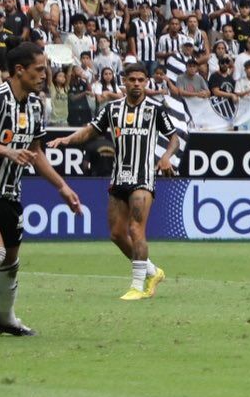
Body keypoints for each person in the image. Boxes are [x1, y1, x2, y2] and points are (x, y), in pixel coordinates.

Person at [0, 43, 82, 341]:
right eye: (39, 69)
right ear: (20, 70)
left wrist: (62, 187)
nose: (44, 74)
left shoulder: (36, 105)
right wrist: (8, 152)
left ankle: (5, 319)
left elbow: (36, 153)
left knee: (10, 262)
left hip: (10, 194)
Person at [49, 64, 179, 301]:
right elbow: (90, 130)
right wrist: (67, 139)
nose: (137, 84)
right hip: (119, 177)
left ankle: (138, 286)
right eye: (132, 79)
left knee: (135, 229)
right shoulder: (112, 109)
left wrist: (166, 157)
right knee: (117, 234)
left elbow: (174, 138)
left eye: (141, 79)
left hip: (143, 177)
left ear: (147, 82)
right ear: (124, 82)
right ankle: (152, 271)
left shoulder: (155, 110)